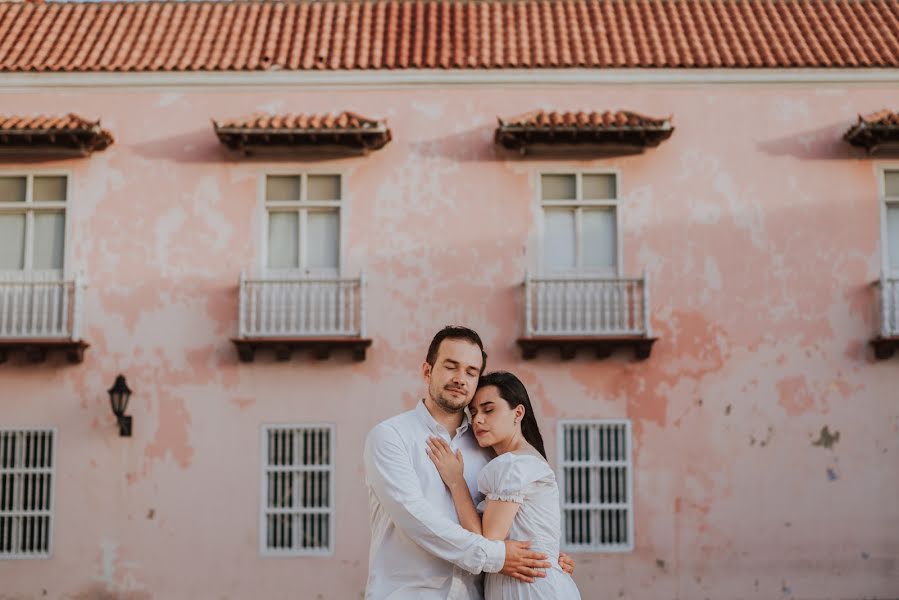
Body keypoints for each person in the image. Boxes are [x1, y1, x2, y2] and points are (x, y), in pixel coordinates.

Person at [363, 326, 573, 599]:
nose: (461, 379)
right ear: (428, 371)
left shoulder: (488, 446)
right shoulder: (391, 437)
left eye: (471, 372)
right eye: (451, 367)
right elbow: (415, 518)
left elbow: (514, 515)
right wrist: (498, 555)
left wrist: (543, 553)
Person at [426, 371, 582, 600]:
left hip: (531, 590)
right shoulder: (523, 460)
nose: (478, 419)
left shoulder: (513, 464)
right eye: (474, 412)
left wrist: (456, 482)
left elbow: (488, 543)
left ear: (518, 413)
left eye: (489, 410)